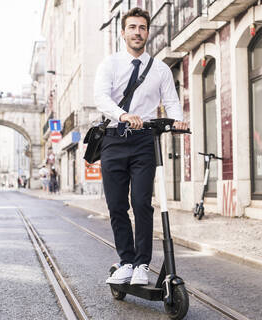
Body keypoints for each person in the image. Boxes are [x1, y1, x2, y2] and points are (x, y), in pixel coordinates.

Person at [94, 7, 187, 286]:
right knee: (117, 205)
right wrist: (122, 115)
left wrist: (178, 120)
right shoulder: (110, 64)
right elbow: (100, 97)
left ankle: (142, 263)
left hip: (145, 141)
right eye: (132, 27)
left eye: (142, 27)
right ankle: (125, 261)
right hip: (113, 138)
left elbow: (171, 101)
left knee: (142, 203)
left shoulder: (159, 69)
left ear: (147, 32)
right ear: (123, 33)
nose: (137, 32)